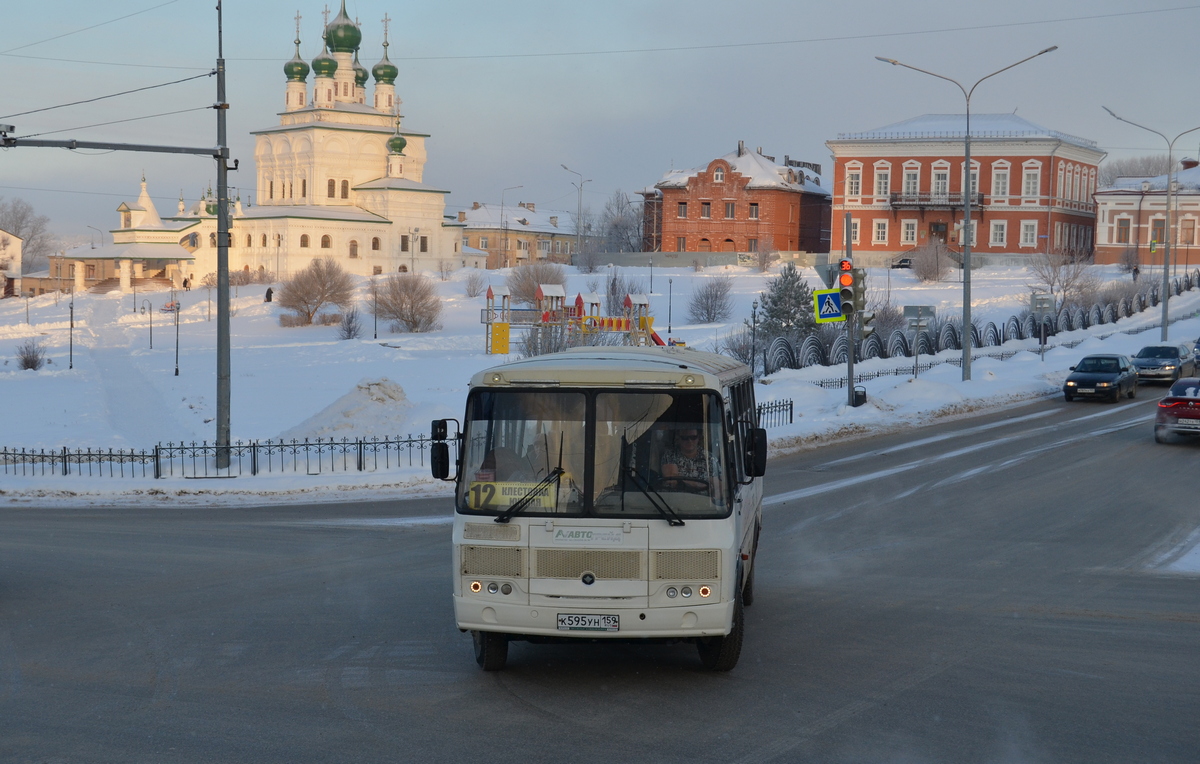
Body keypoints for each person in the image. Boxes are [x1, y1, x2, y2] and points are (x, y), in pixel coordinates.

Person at [660, 427, 715, 493]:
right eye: (685, 438)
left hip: (704, 501)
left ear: (698, 438)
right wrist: (697, 485)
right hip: (674, 499)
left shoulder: (709, 457)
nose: (689, 441)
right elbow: (672, 479)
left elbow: (717, 485)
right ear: (679, 439)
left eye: (693, 437)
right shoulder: (670, 454)